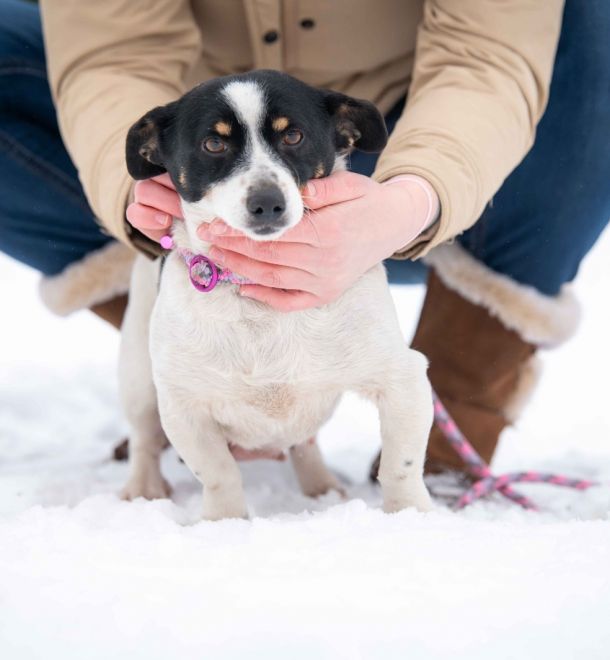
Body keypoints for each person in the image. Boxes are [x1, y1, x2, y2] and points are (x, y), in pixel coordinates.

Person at [1, 0, 608, 474]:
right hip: (199, 172)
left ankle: (456, 408)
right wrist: (146, 195)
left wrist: (415, 197)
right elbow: (115, 56)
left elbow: (487, 60)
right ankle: (209, 374)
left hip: (404, 150)